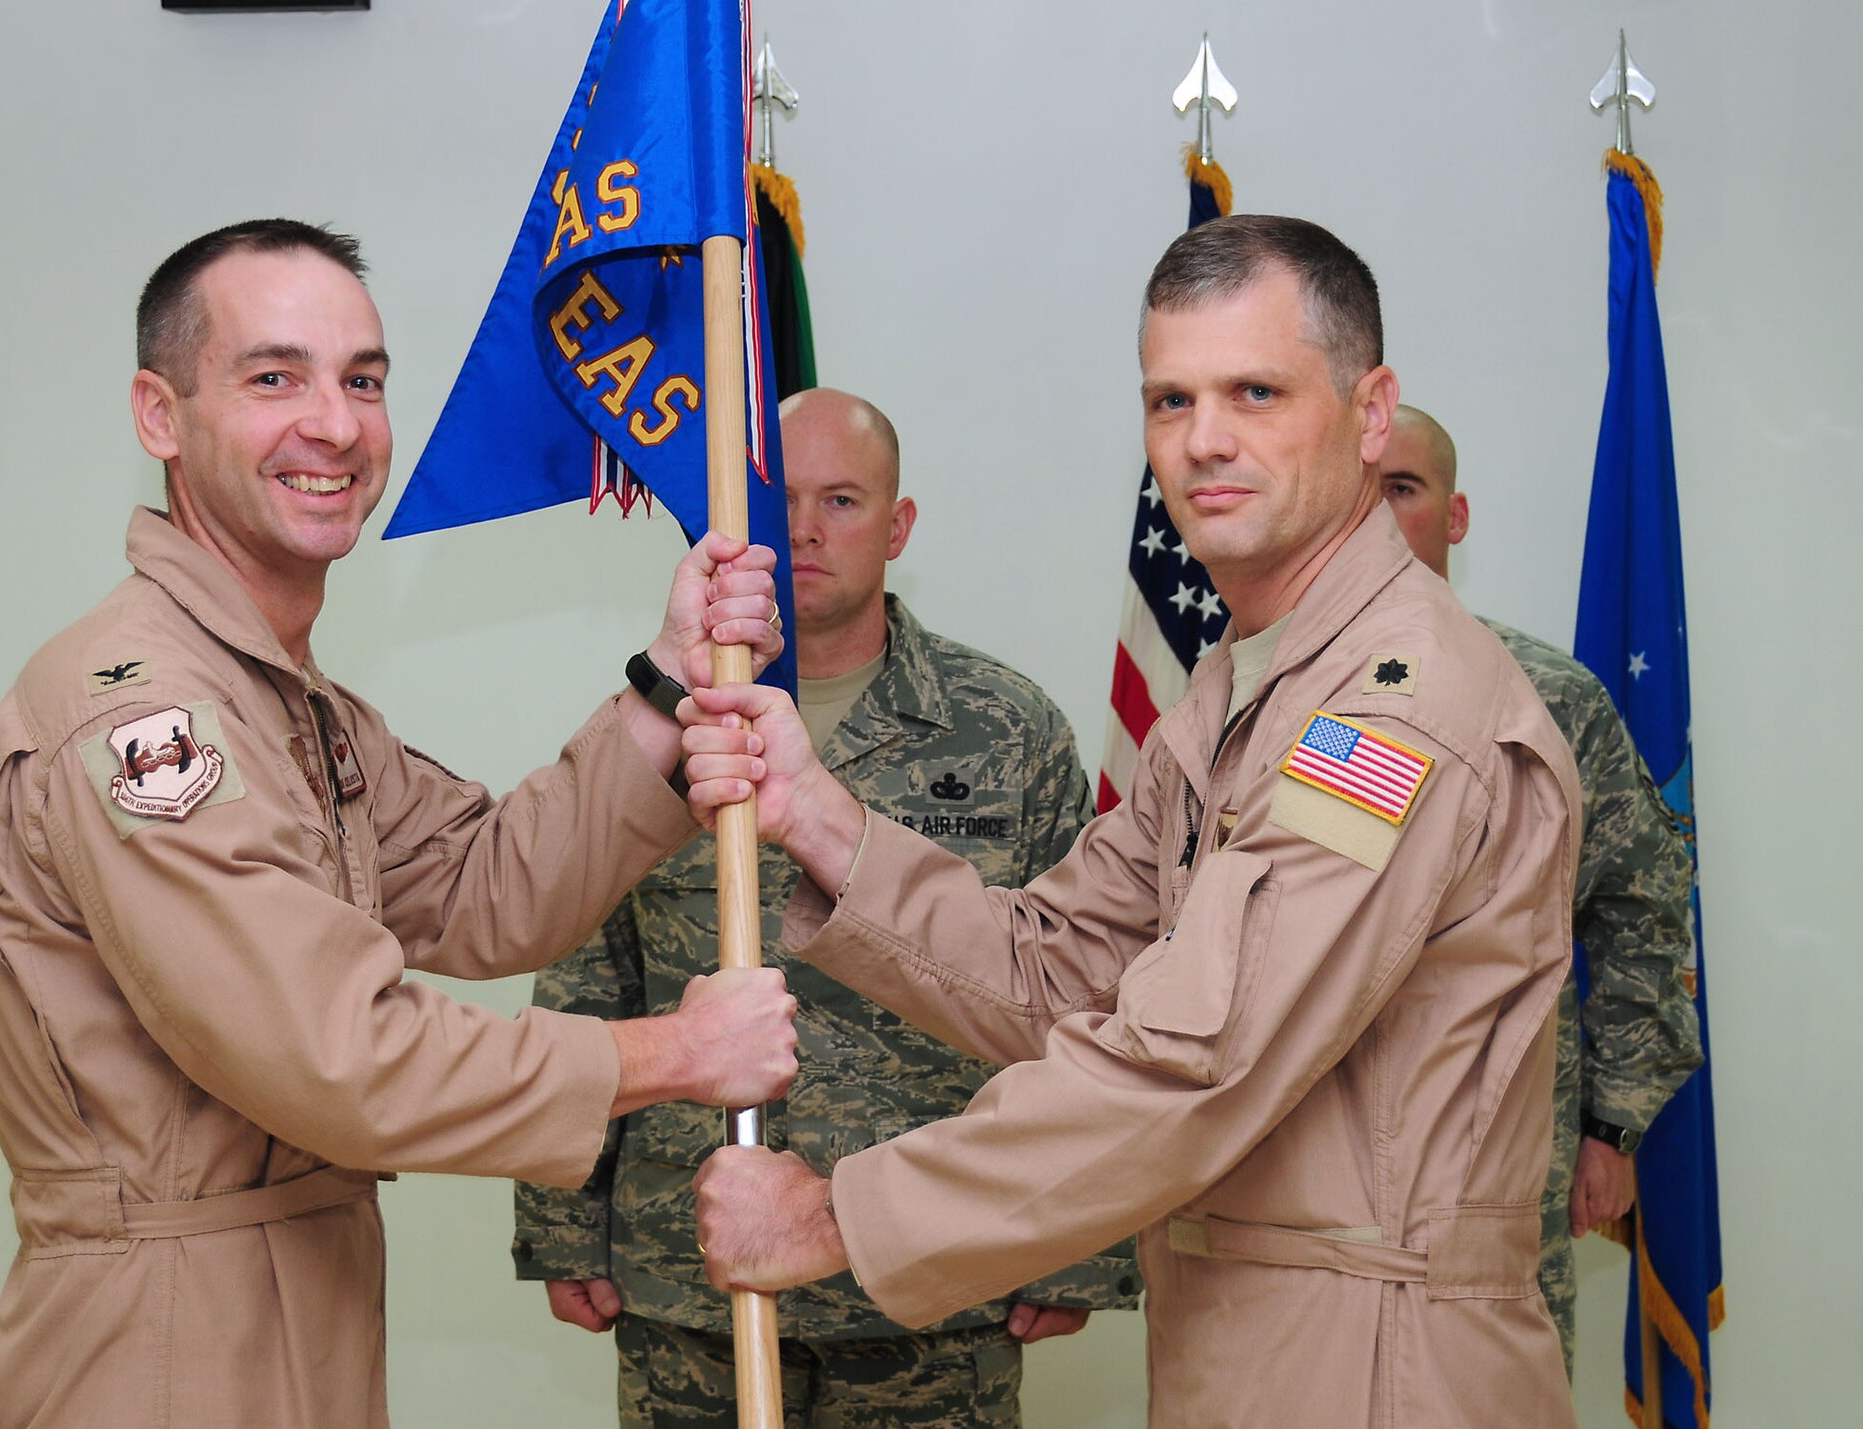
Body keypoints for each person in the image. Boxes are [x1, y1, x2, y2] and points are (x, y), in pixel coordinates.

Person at [679, 216, 1586, 1427]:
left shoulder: (1392, 708)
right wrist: (819, 818)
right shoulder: (1244, 687)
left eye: (1254, 392)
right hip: (1245, 1341)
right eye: (1170, 401)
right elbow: (1061, 969)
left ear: (1370, 413)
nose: (1202, 439)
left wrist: (837, 1213)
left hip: (1380, 1367)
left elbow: (1197, 1058)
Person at [0, 219, 800, 1429]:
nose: (336, 425)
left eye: (362, 380)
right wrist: (672, 1054)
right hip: (157, 1345)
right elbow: (335, 1050)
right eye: (273, 377)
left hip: (298, 1304)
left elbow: (483, 886)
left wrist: (665, 687)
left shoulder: (287, 704)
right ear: (159, 415)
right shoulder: (144, 716)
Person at [514, 386, 1137, 1427]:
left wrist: (1081, 1248)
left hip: (932, 1276)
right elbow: (585, 976)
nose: (804, 529)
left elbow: (1085, 992)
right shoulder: (668, 720)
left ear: (897, 526)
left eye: (841, 500)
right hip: (692, 1273)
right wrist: (562, 1224)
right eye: (780, 501)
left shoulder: (1007, 727)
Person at [1375, 403, 1702, 1373]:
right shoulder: (1264, 689)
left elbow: (1640, 906)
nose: (1376, 516)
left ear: (1455, 515)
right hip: (1299, 1177)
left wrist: (1611, 1122)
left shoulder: (1544, 699)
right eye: (1357, 493)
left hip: (1499, 1171)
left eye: (1402, 489)